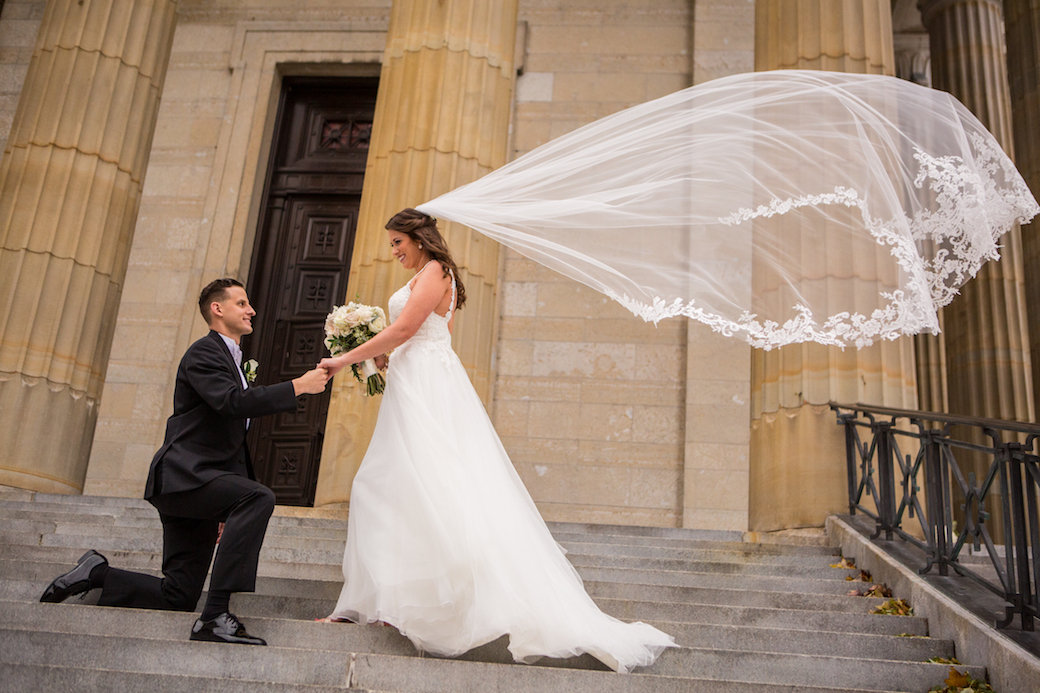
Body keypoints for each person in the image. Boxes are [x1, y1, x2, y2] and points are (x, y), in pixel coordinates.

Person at [316, 209, 675, 672]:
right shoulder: (431, 272)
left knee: (405, 484)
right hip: (414, 381)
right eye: (391, 245)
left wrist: (347, 358)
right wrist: (385, 359)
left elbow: (408, 329)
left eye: (396, 242)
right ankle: (387, 604)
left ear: (418, 239)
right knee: (395, 486)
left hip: (428, 386)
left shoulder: (436, 270)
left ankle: (399, 603)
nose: (394, 251)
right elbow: (427, 334)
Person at [40, 278, 331, 646]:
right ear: (217, 309)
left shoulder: (232, 360)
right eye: (242, 303)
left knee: (177, 596)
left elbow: (231, 438)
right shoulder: (204, 353)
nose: (251, 310)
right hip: (184, 477)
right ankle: (215, 616)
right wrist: (297, 387)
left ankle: (96, 573)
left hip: (199, 483)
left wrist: (226, 506)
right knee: (258, 497)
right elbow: (232, 403)